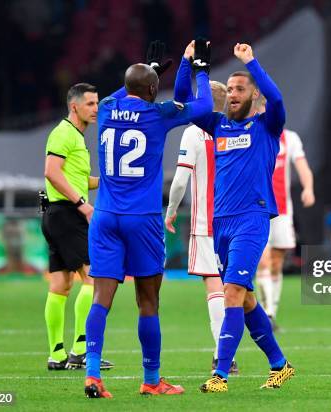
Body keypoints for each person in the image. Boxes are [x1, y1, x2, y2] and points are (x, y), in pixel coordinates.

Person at [84, 39, 214, 399]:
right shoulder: (158, 114)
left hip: (106, 215)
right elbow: (203, 105)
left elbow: (126, 89)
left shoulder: (108, 107)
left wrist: (150, 70)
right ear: (154, 91)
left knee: (101, 298)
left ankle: (93, 374)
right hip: (142, 219)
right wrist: (200, 71)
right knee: (148, 301)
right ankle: (151, 379)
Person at [174, 42, 295, 392]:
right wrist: (193, 66)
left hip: (251, 221)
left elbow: (279, 100)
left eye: (240, 89)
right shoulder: (218, 126)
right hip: (221, 224)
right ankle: (280, 365)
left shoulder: (267, 126)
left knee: (231, 293)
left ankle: (220, 375)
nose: (233, 95)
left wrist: (251, 63)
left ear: (253, 95)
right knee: (245, 299)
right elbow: (185, 100)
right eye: (230, 90)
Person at [165, 74, 238, 374]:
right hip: (238, 221)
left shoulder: (194, 133)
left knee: (213, 285)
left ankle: (224, 356)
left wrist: (170, 211)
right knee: (236, 287)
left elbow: (181, 180)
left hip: (206, 221)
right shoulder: (236, 130)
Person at [41, 83, 114, 371]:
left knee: (61, 285)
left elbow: (75, 178)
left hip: (56, 213)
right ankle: (81, 350)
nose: (96, 109)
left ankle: (56, 354)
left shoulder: (75, 137)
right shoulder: (63, 133)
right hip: (66, 214)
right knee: (94, 279)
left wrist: (108, 180)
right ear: (75, 106)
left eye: (97, 104)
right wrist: (83, 204)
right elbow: (52, 172)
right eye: (91, 104)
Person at [254, 97, 315, 330]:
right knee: (263, 262)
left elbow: (302, 167)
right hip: (258, 210)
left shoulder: (290, 139)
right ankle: (266, 316)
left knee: (277, 262)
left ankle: (271, 312)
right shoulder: (254, 134)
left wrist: (308, 188)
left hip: (282, 211)